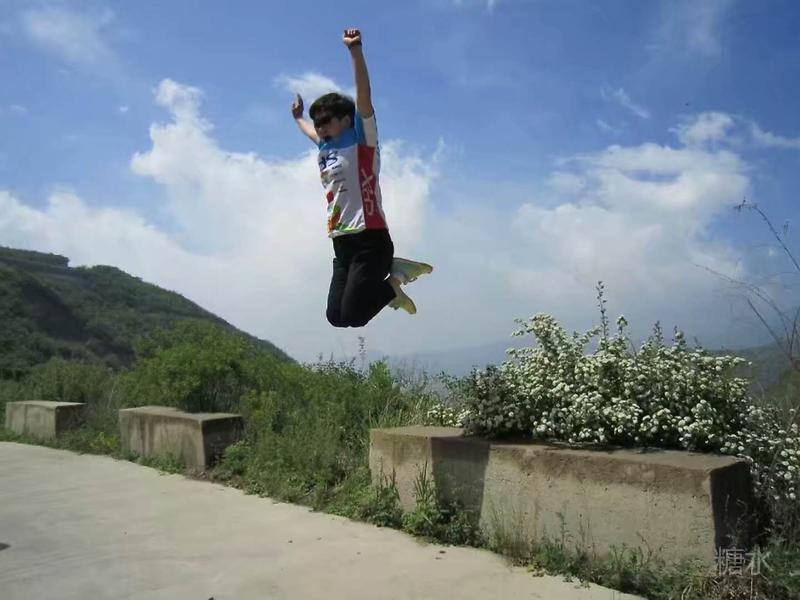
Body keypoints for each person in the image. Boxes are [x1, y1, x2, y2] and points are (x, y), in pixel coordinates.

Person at [291, 28, 432, 328]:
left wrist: (355, 50)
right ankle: (392, 281)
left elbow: (364, 94)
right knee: (336, 317)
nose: (320, 127)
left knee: (355, 316)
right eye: (317, 123)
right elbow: (310, 132)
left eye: (326, 121)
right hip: (341, 242)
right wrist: (299, 118)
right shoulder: (325, 147)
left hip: (370, 240)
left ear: (346, 120)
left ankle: (395, 279)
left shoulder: (362, 141)